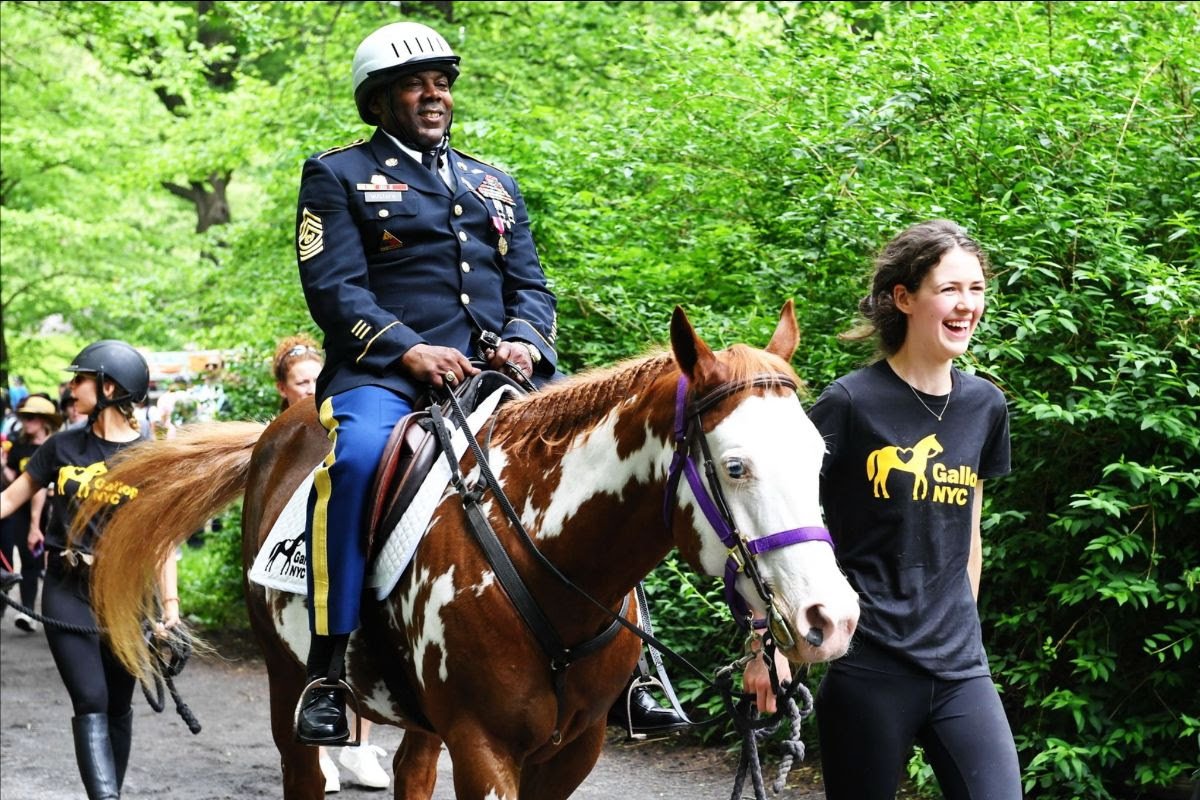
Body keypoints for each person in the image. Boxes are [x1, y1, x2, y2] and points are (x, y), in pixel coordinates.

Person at [745, 220, 1021, 798]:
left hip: (961, 669)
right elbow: (776, 521)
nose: (967, 304)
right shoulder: (850, 403)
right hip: (869, 666)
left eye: (975, 289)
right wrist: (767, 640)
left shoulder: (985, 405)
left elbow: (968, 536)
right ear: (904, 298)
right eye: (949, 289)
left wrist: (959, 626)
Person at [0, 340, 180, 800]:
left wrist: (171, 608)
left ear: (109, 387)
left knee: (118, 704)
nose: (72, 388)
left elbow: (162, 541)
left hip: (126, 595)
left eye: (80, 379)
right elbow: (8, 500)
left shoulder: (149, 456)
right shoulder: (61, 445)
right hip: (67, 588)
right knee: (91, 698)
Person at [272, 335, 390, 792]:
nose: (309, 387)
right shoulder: (287, 434)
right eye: (301, 382)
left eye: (314, 379)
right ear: (284, 388)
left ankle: (360, 744)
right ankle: (319, 745)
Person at [0, 395, 62, 631]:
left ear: (44, 420)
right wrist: (3, 465)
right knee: (9, 559)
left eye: (32, 417)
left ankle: (27, 611)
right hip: (15, 511)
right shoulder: (18, 446)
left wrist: (36, 524)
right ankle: (6, 606)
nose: (27, 422)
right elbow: (13, 482)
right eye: (24, 417)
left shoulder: (57, 447)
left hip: (48, 512)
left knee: (31, 563)